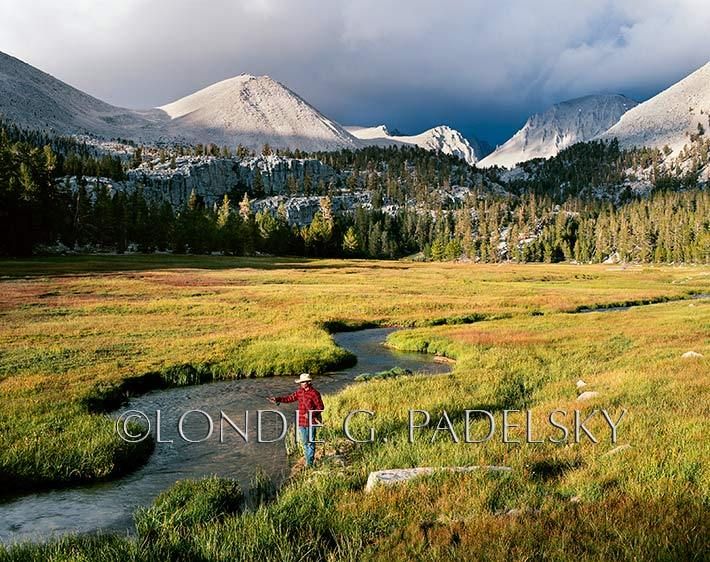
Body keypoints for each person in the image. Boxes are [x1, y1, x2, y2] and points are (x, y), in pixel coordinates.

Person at [268, 373, 324, 467]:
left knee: (310, 443)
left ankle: (309, 464)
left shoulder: (314, 393)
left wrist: (311, 414)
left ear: (309, 382)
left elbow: (321, 407)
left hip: (312, 422)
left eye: (304, 382)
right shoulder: (299, 392)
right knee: (305, 443)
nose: (302, 383)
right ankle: (308, 460)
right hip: (301, 422)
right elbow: (289, 398)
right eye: (301, 382)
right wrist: (277, 399)